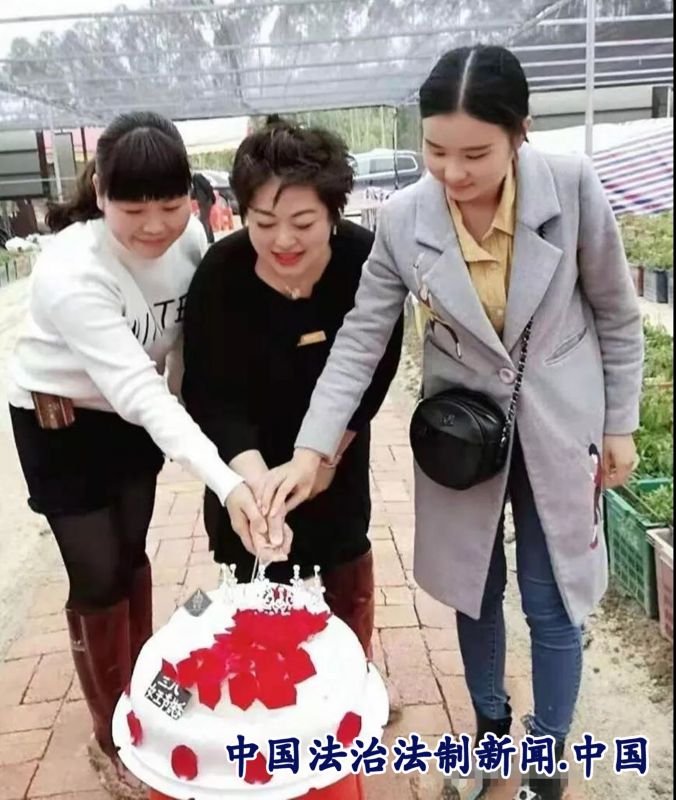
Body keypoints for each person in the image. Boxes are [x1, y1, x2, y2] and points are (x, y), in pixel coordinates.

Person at [258, 47, 644, 800]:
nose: (453, 172)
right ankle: (490, 734)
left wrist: (620, 424)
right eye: (436, 150)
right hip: (464, 439)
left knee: (552, 598)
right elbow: (360, 340)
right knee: (475, 588)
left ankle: (546, 758)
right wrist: (312, 449)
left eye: (476, 154)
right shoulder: (406, 219)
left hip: (562, 426)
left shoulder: (572, 188)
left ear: (520, 133)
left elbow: (617, 313)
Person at [7, 112, 267, 800]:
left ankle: (144, 689)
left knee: (130, 554)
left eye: (170, 205)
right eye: (133, 209)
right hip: (61, 421)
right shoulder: (71, 269)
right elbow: (139, 389)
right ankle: (113, 734)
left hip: (134, 419)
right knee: (97, 575)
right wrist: (226, 483)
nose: (155, 226)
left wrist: (202, 430)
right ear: (99, 194)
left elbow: (178, 356)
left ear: (192, 196)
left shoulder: (190, 238)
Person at [181, 118, 403, 703]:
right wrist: (248, 478)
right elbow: (208, 392)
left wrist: (329, 455)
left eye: (303, 223)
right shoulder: (220, 275)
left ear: (334, 213)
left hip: (334, 444)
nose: (283, 241)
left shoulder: (364, 262)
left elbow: (377, 366)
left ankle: (350, 686)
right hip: (246, 451)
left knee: (344, 552)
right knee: (258, 567)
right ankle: (271, 697)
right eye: (263, 223)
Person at [191, 171, 216, 243]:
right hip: (206, 201)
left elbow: (206, 189)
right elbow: (195, 193)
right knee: (206, 219)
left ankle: (206, 239)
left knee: (204, 220)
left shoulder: (196, 178)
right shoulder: (197, 181)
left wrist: (208, 198)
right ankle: (210, 238)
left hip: (205, 202)